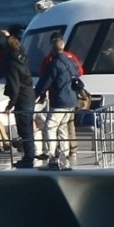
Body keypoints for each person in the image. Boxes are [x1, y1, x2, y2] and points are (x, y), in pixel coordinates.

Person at [39, 32, 84, 166]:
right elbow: (80, 72)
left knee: (50, 126)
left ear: (52, 46)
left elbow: (45, 79)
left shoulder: (53, 62)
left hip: (59, 99)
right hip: (71, 99)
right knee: (64, 126)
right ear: (63, 45)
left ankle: (51, 154)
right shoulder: (71, 59)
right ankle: (65, 152)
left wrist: (39, 94)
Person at [3, 34, 37, 168]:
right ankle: (30, 154)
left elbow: (15, 87)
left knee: (24, 129)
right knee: (28, 126)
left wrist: (11, 104)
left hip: (22, 98)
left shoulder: (12, 65)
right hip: (30, 95)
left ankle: (28, 158)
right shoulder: (23, 58)